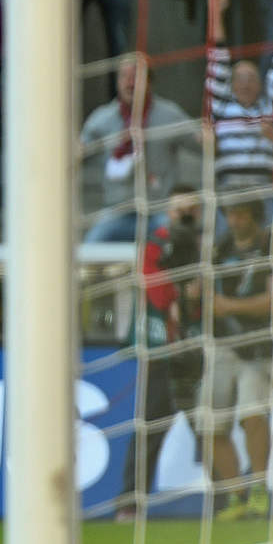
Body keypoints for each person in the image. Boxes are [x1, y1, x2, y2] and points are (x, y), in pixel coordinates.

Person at [192, 196, 273, 521]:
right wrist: (199, 295)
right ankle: (237, 494)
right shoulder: (219, 247)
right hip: (221, 345)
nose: (234, 220)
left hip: (259, 346)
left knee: (253, 416)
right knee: (209, 424)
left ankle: (260, 489)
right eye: (230, 214)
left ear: (254, 215)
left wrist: (228, 306)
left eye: (240, 213)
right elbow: (202, 290)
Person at [115, 187, 202, 521]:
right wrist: (183, 293)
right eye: (179, 209)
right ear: (168, 211)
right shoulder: (154, 245)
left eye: (191, 209)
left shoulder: (206, 246)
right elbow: (158, 294)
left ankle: (229, 499)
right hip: (161, 351)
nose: (185, 215)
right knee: (150, 426)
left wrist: (195, 296)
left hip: (197, 349)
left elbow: (206, 296)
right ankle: (129, 500)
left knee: (209, 429)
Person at [81, 53, 196, 242]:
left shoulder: (169, 114)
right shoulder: (102, 118)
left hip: (158, 209)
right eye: (124, 77)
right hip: (116, 210)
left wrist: (207, 138)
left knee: (177, 240)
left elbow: (203, 146)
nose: (129, 83)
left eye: (135, 76)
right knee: (92, 243)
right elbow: (79, 154)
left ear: (149, 82)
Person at [205, 0, 273, 195]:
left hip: (265, 188)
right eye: (240, 79)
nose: (246, 84)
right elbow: (218, 60)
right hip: (228, 189)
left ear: (261, 84)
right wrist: (216, 13)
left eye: (252, 79)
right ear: (231, 84)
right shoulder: (221, 107)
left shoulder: (270, 108)